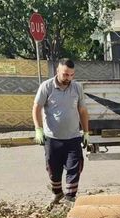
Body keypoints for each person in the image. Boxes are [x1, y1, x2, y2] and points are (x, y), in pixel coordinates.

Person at [32, 58, 90, 204]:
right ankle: (57, 194)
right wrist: (38, 129)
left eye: (72, 75)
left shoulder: (77, 87)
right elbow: (36, 108)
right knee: (53, 169)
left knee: (74, 168)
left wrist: (86, 132)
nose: (68, 78)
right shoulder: (46, 87)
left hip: (73, 138)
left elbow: (82, 111)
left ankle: (70, 198)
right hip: (52, 138)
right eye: (65, 74)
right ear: (57, 71)